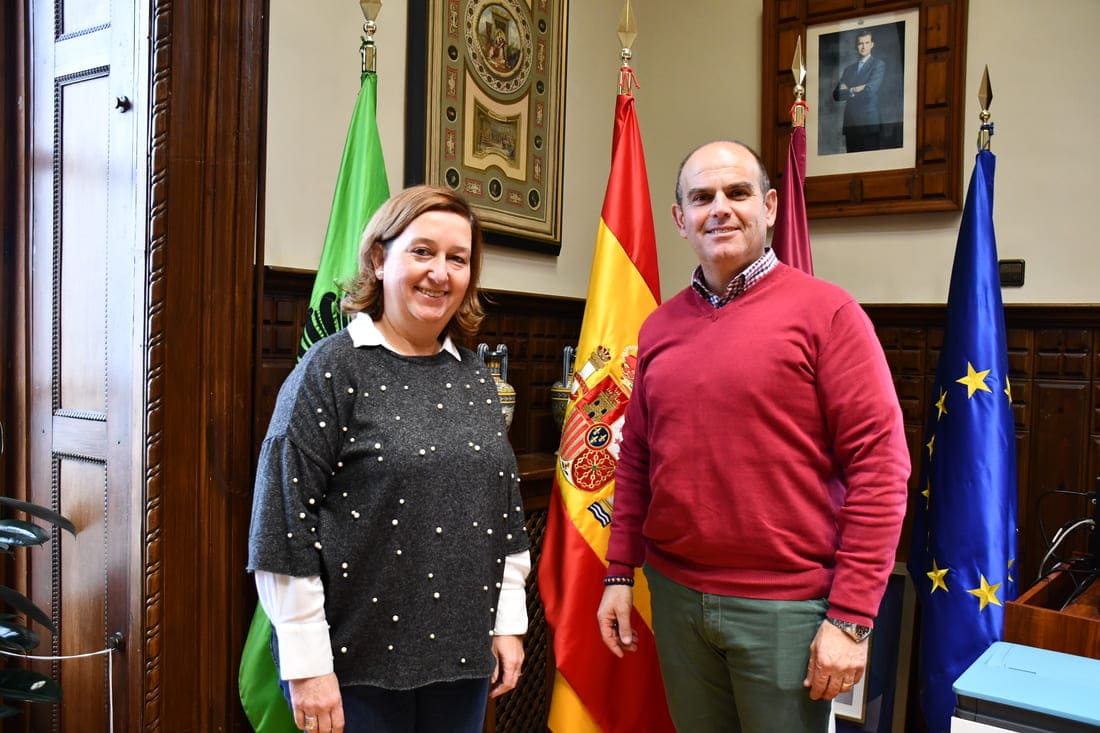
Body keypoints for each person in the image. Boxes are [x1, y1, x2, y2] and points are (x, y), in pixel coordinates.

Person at [596, 141, 909, 732]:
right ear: (679, 219)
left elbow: (881, 468)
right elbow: (637, 460)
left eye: (737, 193)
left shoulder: (829, 314)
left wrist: (849, 619)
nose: (720, 209)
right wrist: (618, 572)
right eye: (701, 197)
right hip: (677, 597)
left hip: (787, 610)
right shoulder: (660, 326)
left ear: (768, 207)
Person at [248, 185, 531, 733]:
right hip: (353, 664)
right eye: (422, 251)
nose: (440, 273)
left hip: (461, 659)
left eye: (458, 258)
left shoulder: (475, 377)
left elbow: (503, 512)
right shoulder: (329, 370)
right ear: (379, 258)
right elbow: (284, 522)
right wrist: (307, 666)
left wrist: (507, 623)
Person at [831, 31, 886, 152]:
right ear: (856, 46)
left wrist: (848, 90)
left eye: (867, 43)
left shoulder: (878, 65)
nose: (863, 46)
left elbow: (870, 91)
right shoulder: (848, 69)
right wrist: (855, 89)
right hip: (851, 124)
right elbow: (836, 95)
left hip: (869, 124)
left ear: (872, 44)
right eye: (860, 43)